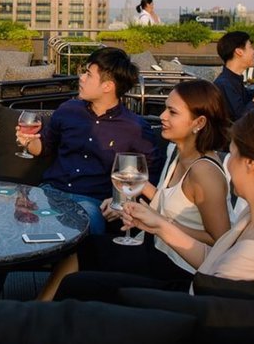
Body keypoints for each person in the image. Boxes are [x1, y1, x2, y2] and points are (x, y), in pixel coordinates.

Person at [55, 107, 254, 302]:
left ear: (251, 163)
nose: (226, 162)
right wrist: (161, 225)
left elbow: (202, 301)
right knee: (81, 280)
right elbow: (211, 261)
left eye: (233, 154)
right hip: (195, 295)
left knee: (78, 287)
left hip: (184, 311)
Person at [37, 79, 232, 300]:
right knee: (82, 247)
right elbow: (171, 202)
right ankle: (38, 309)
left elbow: (220, 242)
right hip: (156, 247)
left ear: (199, 122)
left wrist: (158, 223)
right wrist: (132, 195)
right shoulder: (176, 152)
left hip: (178, 268)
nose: (162, 117)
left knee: (78, 283)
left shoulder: (205, 173)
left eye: (172, 112)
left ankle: (41, 316)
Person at [16, 47, 158, 235]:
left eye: (88, 74)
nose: (81, 78)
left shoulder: (135, 128)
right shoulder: (68, 109)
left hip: (91, 201)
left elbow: (148, 177)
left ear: (108, 86)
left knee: (78, 229)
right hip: (50, 192)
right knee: (20, 223)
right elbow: (44, 148)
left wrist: (121, 200)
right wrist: (28, 141)